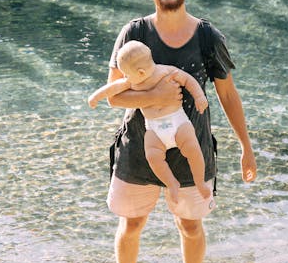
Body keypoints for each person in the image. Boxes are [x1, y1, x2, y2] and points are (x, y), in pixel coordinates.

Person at [100, 0, 256, 263]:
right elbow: (114, 97)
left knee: (190, 225)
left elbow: (228, 94)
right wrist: (154, 92)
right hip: (139, 149)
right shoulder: (133, 34)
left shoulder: (207, 36)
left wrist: (246, 147)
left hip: (191, 151)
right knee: (132, 224)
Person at [88, 40, 212, 201]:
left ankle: (199, 182)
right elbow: (113, 88)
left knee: (193, 150)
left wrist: (199, 96)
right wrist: (96, 96)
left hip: (178, 122)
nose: (125, 77)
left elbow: (188, 80)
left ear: (140, 72)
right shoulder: (132, 81)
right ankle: (171, 183)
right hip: (154, 128)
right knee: (153, 156)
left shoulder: (166, 72)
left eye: (126, 73)